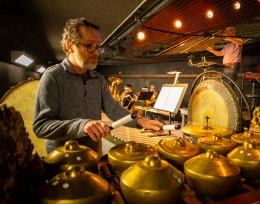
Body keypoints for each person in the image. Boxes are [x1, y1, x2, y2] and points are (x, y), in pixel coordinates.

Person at [33, 17, 164, 157]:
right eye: (89, 46)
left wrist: (141, 121)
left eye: (98, 47)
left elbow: (114, 109)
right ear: (70, 46)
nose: (96, 52)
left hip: (93, 156)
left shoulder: (98, 79)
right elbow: (41, 126)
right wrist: (82, 125)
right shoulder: (53, 77)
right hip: (62, 161)